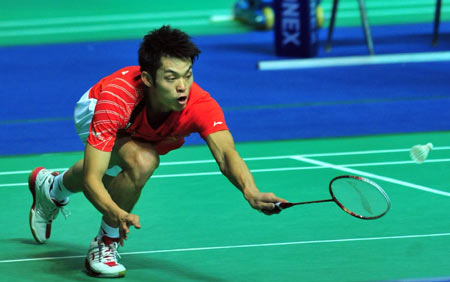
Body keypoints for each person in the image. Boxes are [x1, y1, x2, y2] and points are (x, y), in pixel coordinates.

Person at [28, 25, 287, 278]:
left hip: (146, 129)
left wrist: (250, 191)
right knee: (139, 162)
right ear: (148, 78)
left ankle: (51, 188)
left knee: (121, 169)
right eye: (171, 78)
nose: (182, 86)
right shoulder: (116, 101)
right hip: (96, 109)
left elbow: (226, 153)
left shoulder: (199, 104)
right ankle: (106, 242)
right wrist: (115, 215)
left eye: (188, 74)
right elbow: (91, 179)